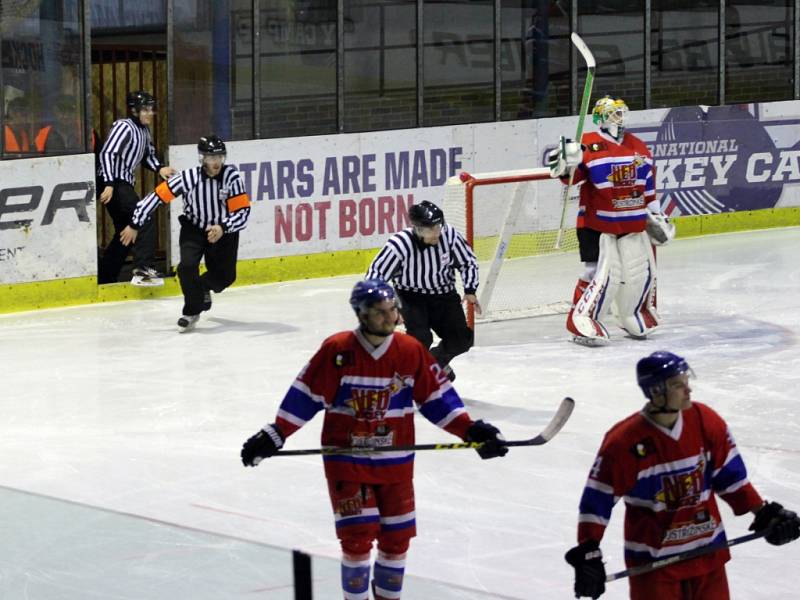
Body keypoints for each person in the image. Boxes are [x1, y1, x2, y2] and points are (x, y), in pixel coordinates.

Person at [240, 279, 508, 600]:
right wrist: (276, 433)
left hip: (395, 464)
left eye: (392, 310)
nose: (389, 318)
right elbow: (306, 396)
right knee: (356, 540)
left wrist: (471, 430)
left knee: (397, 541)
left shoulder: (410, 352)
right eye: (380, 313)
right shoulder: (338, 350)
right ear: (361, 315)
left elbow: (437, 399)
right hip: (347, 463)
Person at [565, 351, 800, 600]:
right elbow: (597, 500)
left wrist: (763, 512)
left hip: (709, 556)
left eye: (686, 381)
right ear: (655, 391)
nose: (688, 390)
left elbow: (730, 478)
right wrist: (589, 550)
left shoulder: (705, 421)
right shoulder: (624, 442)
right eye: (678, 385)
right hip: (655, 567)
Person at [547, 95, 674, 347]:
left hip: (631, 224)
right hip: (596, 224)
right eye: (614, 113)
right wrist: (564, 163)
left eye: (621, 112)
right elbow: (571, 178)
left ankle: (633, 313)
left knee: (636, 272)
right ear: (601, 118)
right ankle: (581, 319)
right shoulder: (588, 145)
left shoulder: (639, 146)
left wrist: (657, 214)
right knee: (597, 273)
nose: (620, 117)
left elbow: (648, 187)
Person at [120, 135, 250, 332]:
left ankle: (203, 288)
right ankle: (191, 310)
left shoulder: (231, 177)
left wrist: (223, 227)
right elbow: (155, 198)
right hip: (194, 229)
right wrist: (134, 224)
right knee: (186, 268)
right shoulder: (188, 178)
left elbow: (243, 212)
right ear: (202, 159)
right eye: (211, 158)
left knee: (226, 277)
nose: (216, 163)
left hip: (223, 232)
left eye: (220, 158)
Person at [365, 200, 479, 381]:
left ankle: (434, 363)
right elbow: (375, 274)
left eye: (438, 227)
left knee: (462, 340)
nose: (437, 233)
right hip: (411, 297)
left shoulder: (449, 235)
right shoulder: (400, 244)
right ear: (418, 229)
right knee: (421, 339)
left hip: (444, 295)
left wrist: (470, 288)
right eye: (430, 229)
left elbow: (468, 261)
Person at [97, 90, 176, 286]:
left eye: (151, 109)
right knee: (144, 215)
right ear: (134, 111)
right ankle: (142, 269)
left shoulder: (143, 131)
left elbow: (148, 155)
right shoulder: (124, 127)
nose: (150, 113)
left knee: (126, 232)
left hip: (119, 183)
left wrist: (160, 168)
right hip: (114, 182)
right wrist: (108, 183)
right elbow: (107, 153)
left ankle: (106, 276)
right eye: (146, 109)